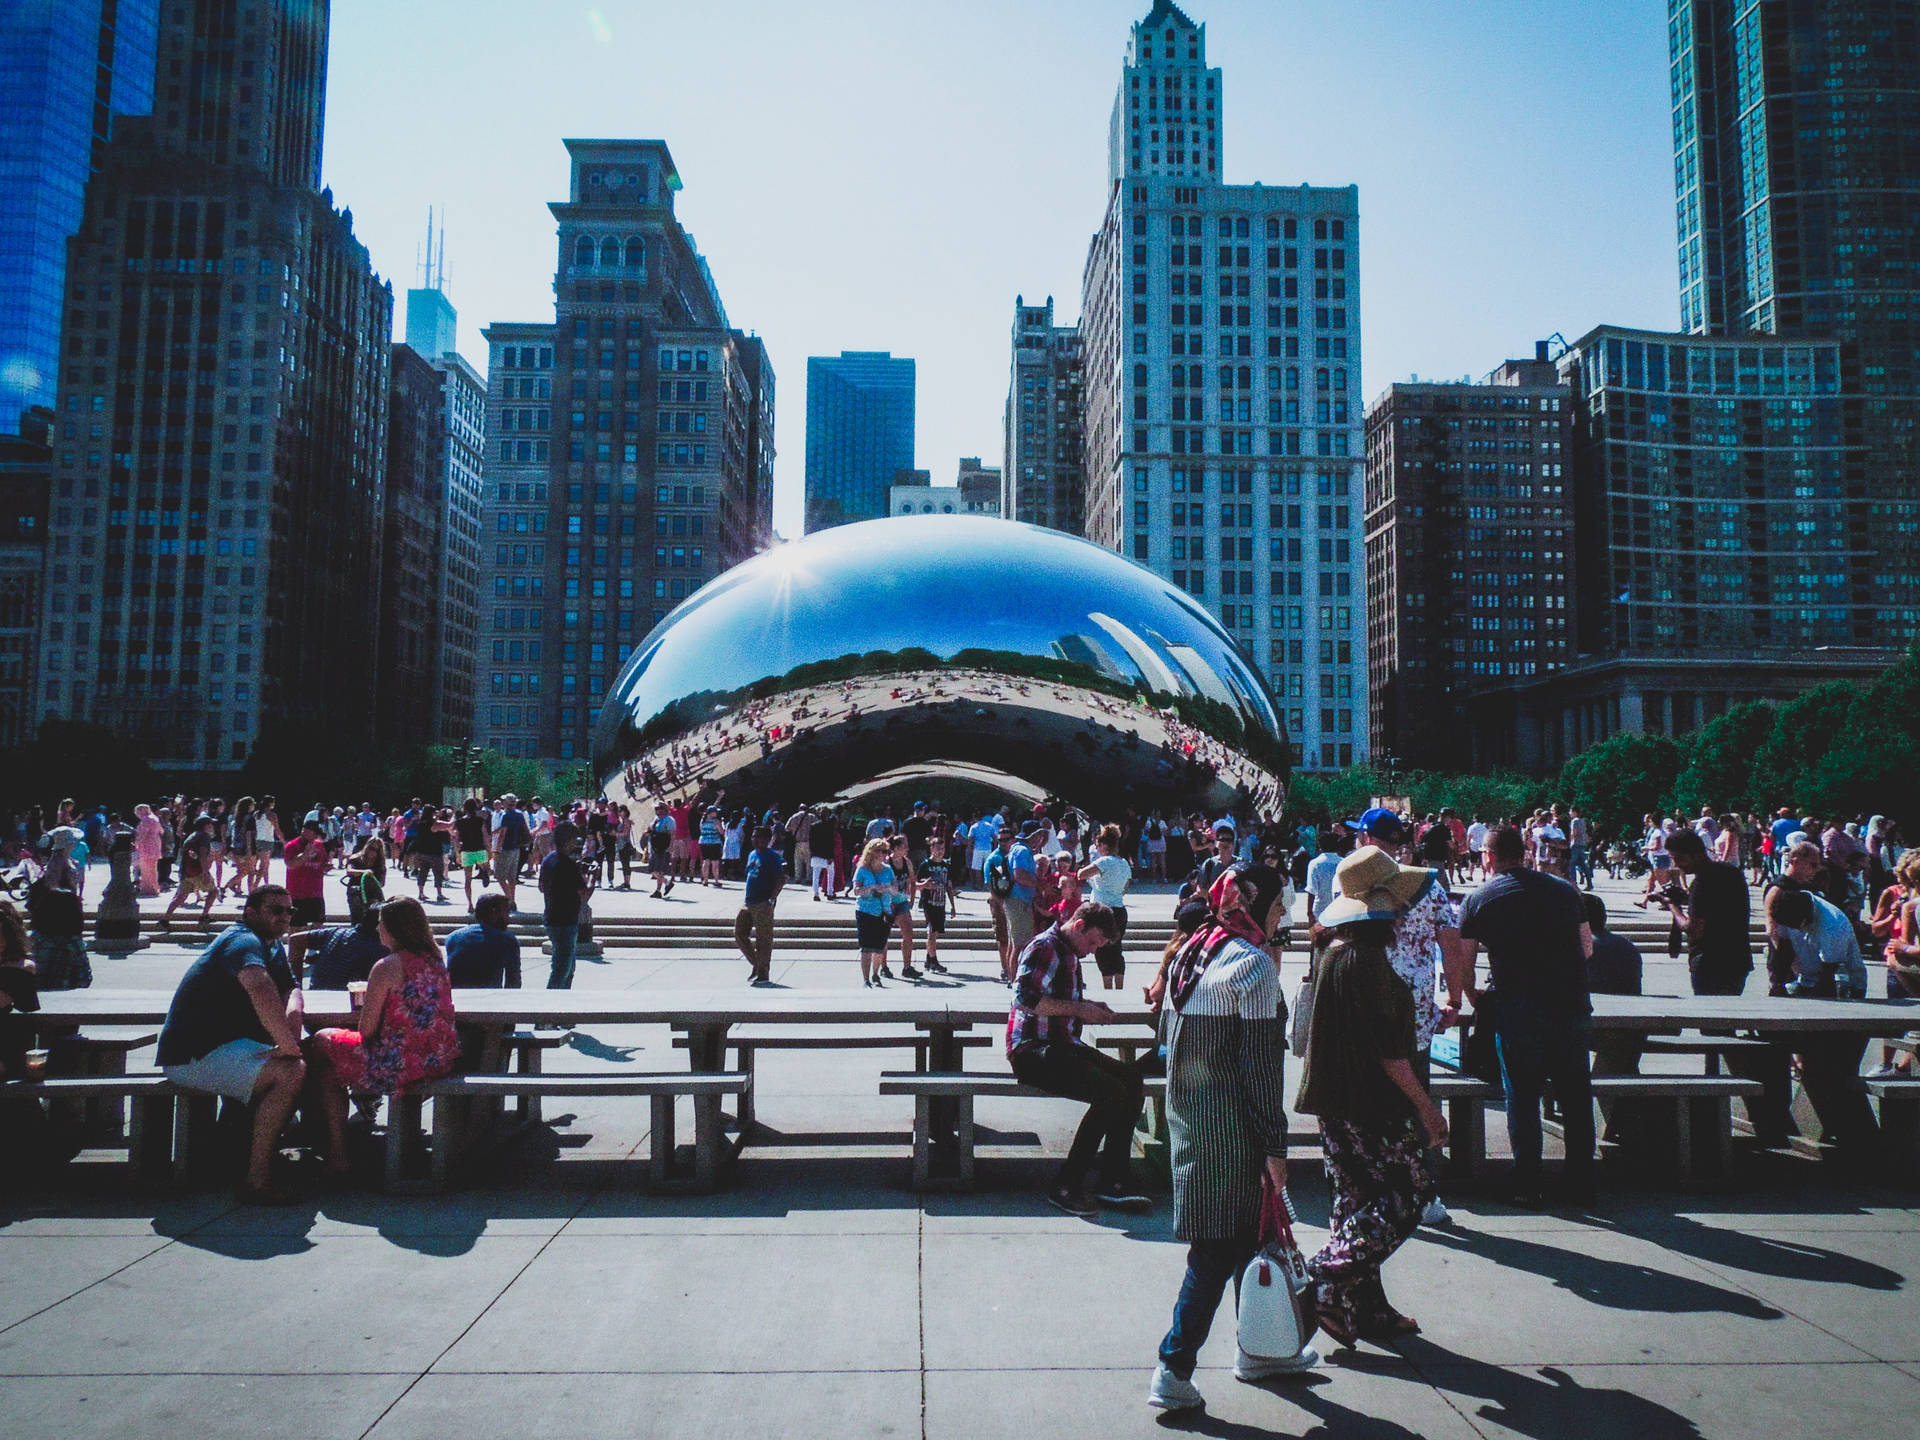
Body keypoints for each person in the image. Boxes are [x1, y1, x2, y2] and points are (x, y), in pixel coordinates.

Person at [1148, 866, 1313, 1411]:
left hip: (1192, 1123)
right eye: (1277, 905)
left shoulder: (1194, 951)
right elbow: (1263, 1069)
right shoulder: (1253, 968)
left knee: (1243, 1241)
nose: (1284, 914)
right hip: (1234, 1133)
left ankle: (1261, 1350)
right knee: (1216, 1251)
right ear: (1256, 903)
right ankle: (1173, 1369)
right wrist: (1276, 1147)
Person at [1293, 873, 1447, 1349]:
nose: (1403, 915)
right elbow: (1390, 1054)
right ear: (1380, 917)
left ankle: (1364, 1308)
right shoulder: (1369, 963)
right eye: (1396, 908)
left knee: (1355, 1199)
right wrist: (1427, 1109)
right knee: (1409, 1193)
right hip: (1371, 1102)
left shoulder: (1334, 951)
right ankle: (1323, 1278)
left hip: (1334, 1099)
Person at [1452, 825, 1594, 1205]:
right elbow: (1587, 948)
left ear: (1489, 856)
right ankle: (1581, 1180)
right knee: (1576, 1094)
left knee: (1522, 1095)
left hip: (1518, 1009)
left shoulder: (1479, 899)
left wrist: (1473, 996)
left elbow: (1464, 962)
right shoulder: (1566, 891)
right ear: (1526, 852)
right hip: (1570, 1004)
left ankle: (1528, 1182)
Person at [155, 886, 307, 1204]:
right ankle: (257, 1178)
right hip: (195, 1055)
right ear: (250, 912)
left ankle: (297, 1151)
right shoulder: (242, 940)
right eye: (275, 910)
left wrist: (292, 1020)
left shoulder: (272, 945)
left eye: (289, 911)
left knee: (316, 1052)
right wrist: (286, 1043)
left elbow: (290, 987)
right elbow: (259, 985)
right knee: (290, 1072)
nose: (284, 917)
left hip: (230, 1048)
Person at [304, 897, 459, 1178]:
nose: (377, 931)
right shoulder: (436, 960)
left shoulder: (387, 966)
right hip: (437, 1058)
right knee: (328, 1069)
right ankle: (339, 1140)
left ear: (394, 929)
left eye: (381, 925)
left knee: (322, 1041)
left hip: (400, 1063)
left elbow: (367, 1031)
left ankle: (331, 1146)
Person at [1006, 899, 1144, 1215]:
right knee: (1110, 1093)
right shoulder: (1045, 947)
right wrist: (1081, 1009)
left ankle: (1114, 1180)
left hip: (1062, 1045)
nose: (1093, 950)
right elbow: (1026, 998)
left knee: (1131, 1080)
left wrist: (1090, 1006)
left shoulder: (1069, 953)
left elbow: (1061, 999)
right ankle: (1067, 1184)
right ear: (1079, 925)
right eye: (1093, 942)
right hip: (1033, 1050)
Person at [1664, 828, 1752, 995]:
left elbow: (1693, 929)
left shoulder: (1701, 882)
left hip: (1709, 963)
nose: (1677, 865)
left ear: (1696, 854)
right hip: (1738, 959)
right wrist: (1688, 899)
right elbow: (1720, 906)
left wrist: (1672, 906)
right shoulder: (1732, 873)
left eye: (1680, 858)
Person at [1079, 824, 1133, 990]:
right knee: (1116, 949)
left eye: (1098, 845)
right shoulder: (1124, 863)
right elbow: (1126, 887)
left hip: (1103, 910)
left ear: (1104, 845)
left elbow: (1081, 874)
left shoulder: (1103, 861)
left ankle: (1108, 990)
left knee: (1102, 950)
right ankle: (1120, 988)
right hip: (1119, 909)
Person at [288, 903, 386, 991]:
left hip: (317, 995)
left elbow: (296, 939)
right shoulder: (379, 949)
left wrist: (296, 984)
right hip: (348, 1002)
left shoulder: (338, 932)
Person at [539, 832, 591, 990]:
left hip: (551, 917)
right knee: (562, 969)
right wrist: (592, 877)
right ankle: (552, 1004)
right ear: (568, 843)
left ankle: (565, 998)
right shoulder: (569, 864)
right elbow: (585, 894)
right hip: (566, 921)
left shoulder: (547, 860)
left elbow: (541, 887)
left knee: (568, 967)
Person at [736, 826, 785, 986]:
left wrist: (772, 899)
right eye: (753, 836)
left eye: (758, 837)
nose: (754, 839)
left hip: (763, 902)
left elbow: (780, 879)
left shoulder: (772, 857)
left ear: (765, 839)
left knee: (763, 939)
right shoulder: (752, 854)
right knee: (740, 933)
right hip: (748, 901)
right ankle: (756, 964)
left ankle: (763, 973)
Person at [445, 893, 523, 989]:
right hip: (488, 999)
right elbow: (513, 983)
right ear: (494, 912)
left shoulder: (453, 937)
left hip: (457, 997)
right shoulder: (507, 940)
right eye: (506, 912)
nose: (509, 919)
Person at [159, 814, 219, 932]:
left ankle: (165, 919)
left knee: (181, 896)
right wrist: (206, 872)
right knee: (214, 891)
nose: (212, 827)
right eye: (211, 824)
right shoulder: (204, 837)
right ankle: (204, 916)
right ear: (206, 826)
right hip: (198, 871)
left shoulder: (192, 836)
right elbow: (202, 855)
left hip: (187, 871)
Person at [852, 837, 895, 987]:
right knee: (866, 947)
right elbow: (856, 891)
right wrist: (871, 888)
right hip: (865, 910)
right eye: (881, 851)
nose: (884, 854)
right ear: (872, 852)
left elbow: (895, 889)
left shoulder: (888, 870)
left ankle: (876, 974)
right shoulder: (862, 869)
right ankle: (866, 979)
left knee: (880, 947)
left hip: (884, 911)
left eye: (885, 851)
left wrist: (887, 888)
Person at [915, 835, 953, 975]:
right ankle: (934, 960)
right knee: (931, 931)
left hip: (941, 902)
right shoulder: (925, 865)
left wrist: (953, 905)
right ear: (931, 848)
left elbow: (949, 885)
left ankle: (928, 959)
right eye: (937, 848)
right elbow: (915, 884)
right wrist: (924, 885)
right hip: (928, 902)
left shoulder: (945, 866)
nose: (940, 851)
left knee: (935, 932)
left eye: (942, 849)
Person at [283, 820, 330, 930]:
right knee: (296, 928)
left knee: (318, 925)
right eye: (314, 834)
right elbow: (290, 864)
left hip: (316, 893)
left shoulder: (319, 846)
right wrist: (305, 855)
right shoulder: (291, 846)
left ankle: (314, 946)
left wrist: (326, 867)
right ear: (305, 831)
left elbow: (322, 864)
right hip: (297, 894)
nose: (315, 837)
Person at [888, 835, 919, 979]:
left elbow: (913, 881)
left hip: (901, 901)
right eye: (904, 846)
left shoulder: (907, 862)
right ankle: (883, 966)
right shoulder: (887, 863)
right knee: (884, 936)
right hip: (886, 903)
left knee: (908, 934)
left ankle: (907, 966)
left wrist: (912, 899)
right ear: (895, 848)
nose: (907, 848)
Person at [492, 796, 531, 911]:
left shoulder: (506, 815)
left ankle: (509, 899)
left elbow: (503, 834)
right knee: (512, 877)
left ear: (505, 803)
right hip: (516, 848)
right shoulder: (519, 814)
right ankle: (512, 898)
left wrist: (496, 850)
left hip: (506, 848)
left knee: (499, 875)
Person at [454, 799, 491, 909]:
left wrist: (457, 854)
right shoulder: (480, 821)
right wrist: (489, 850)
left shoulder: (459, 822)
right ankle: (484, 872)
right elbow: (485, 836)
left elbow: (456, 839)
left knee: (467, 879)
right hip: (479, 848)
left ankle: (470, 904)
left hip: (466, 851)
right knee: (485, 866)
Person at [809, 809, 838, 900]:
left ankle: (816, 894)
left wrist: (812, 853)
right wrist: (831, 856)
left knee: (816, 875)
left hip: (816, 854)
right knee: (830, 874)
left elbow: (811, 842)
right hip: (827, 854)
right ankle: (830, 892)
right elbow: (831, 843)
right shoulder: (830, 827)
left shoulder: (813, 826)